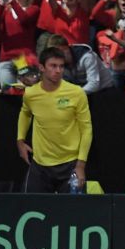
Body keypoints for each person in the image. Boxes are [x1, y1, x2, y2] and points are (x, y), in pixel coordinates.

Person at [16, 47, 93, 193]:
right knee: (34, 210)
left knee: (73, 213)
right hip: (40, 164)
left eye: (61, 66)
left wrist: (81, 165)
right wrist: (20, 140)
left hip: (70, 163)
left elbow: (87, 129)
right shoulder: (31, 94)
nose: (58, 70)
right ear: (41, 68)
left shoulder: (76, 93)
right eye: (53, 66)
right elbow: (25, 113)